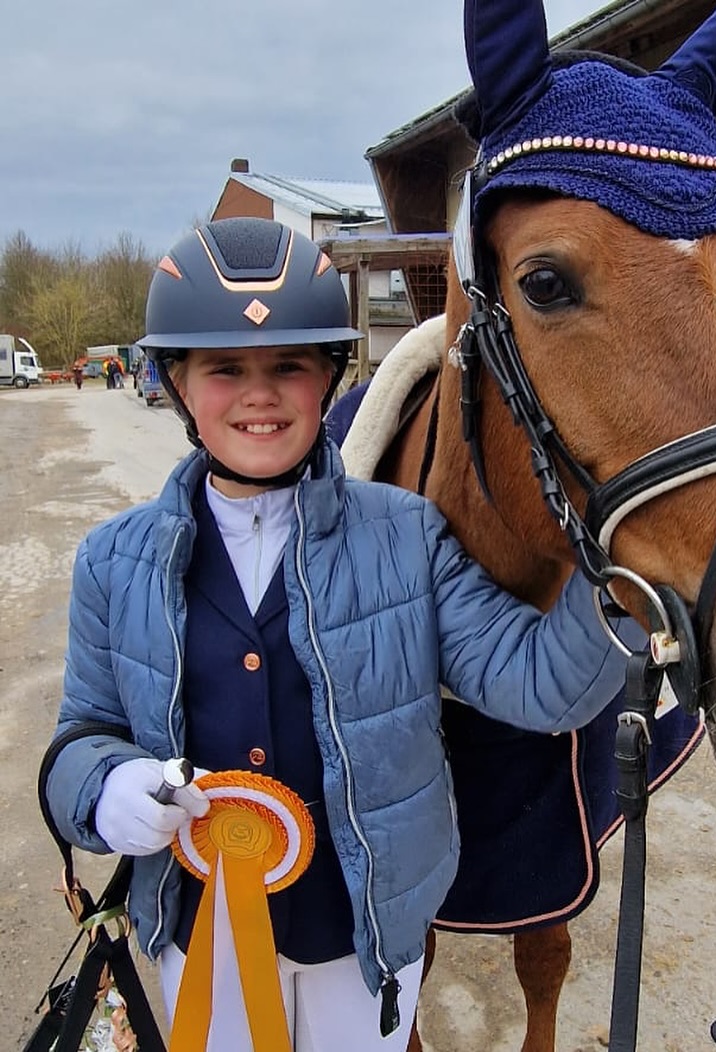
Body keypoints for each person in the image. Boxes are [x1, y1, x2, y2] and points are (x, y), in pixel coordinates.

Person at [43, 217, 638, 1052]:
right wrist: (101, 790)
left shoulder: (408, 536)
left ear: (328, 375)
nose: (259, 393)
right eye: (224, 369)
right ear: (177, 383)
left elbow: (540, 684)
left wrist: (627, 577)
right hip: (198, 929)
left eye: (289, 365)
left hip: (364, 944)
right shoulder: (111, 563)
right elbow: (80, 737)